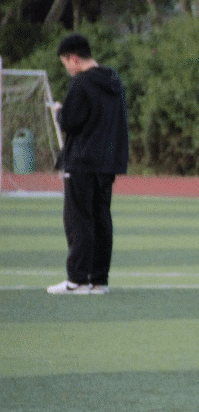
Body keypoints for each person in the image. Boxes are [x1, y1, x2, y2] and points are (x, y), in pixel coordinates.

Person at [47, 34, 129, 295]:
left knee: (78, 220)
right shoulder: (114, 80)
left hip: (81, 161)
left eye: (65, 63)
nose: (67, 68)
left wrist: (59, 111)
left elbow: (69, 121)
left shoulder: (81, 83)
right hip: (107, 162)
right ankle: (99, 280)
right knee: (101, 218)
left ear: (73, 58)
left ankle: (77, 280)